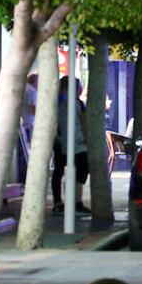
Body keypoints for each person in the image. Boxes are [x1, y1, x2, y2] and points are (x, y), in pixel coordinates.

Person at [54, 76, 91, 214]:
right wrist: (82, 139)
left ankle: (73, 203)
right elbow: (72, 125)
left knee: (72, 174)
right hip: (75, 145)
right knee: (77, 175)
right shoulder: (73, 104)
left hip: (65, 144)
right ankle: (75, 203)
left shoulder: (63, 103)